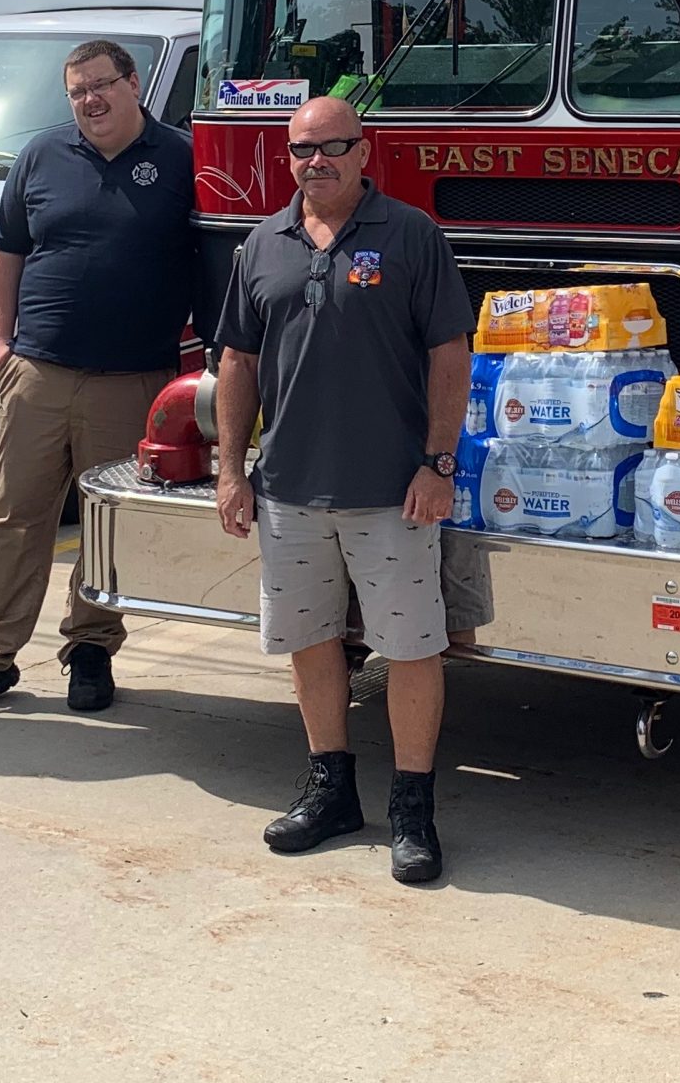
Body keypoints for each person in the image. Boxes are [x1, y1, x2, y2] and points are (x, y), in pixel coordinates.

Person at [212, 97, 473, 885]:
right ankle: (331, 793)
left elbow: (450, 353)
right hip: (289, 491)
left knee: (411, 648)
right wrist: (231, 470)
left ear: (365, 152)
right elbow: (237, 363)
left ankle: (413, 811)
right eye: (302, 148)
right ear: (287, 156)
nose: (315, 160)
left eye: (332, 146)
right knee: (311, 640)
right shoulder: (263, 244)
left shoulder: (412, 235)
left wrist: (438, 463)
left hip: (393, 493)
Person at [0, 40, 201, 718]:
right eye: (78, 90)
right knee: (11, 516)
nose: (90, 100)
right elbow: (7, 248)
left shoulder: (182, 158)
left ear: (133, 84)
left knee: (106, 523)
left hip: (132, 378)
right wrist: (0, 342)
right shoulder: (41, 155)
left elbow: (208, 260)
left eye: (101, 85)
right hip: (39, 372)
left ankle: (91, 648)